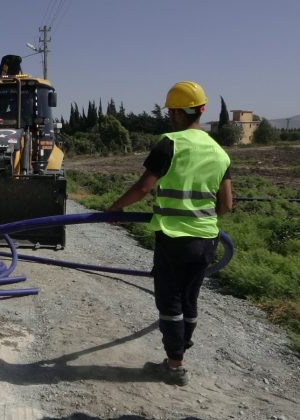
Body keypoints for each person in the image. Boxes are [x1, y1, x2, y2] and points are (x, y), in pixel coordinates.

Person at [107, 81, 232, 386]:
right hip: (206, 240)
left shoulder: (170, 143)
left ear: (176, 113)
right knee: (190, 301)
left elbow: (144, 187)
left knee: (170, 301)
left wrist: (115, 210)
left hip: (175, 239)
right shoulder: (219, 152)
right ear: (201, 110)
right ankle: (178, 357)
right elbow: (226, 205)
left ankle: (174, 366)